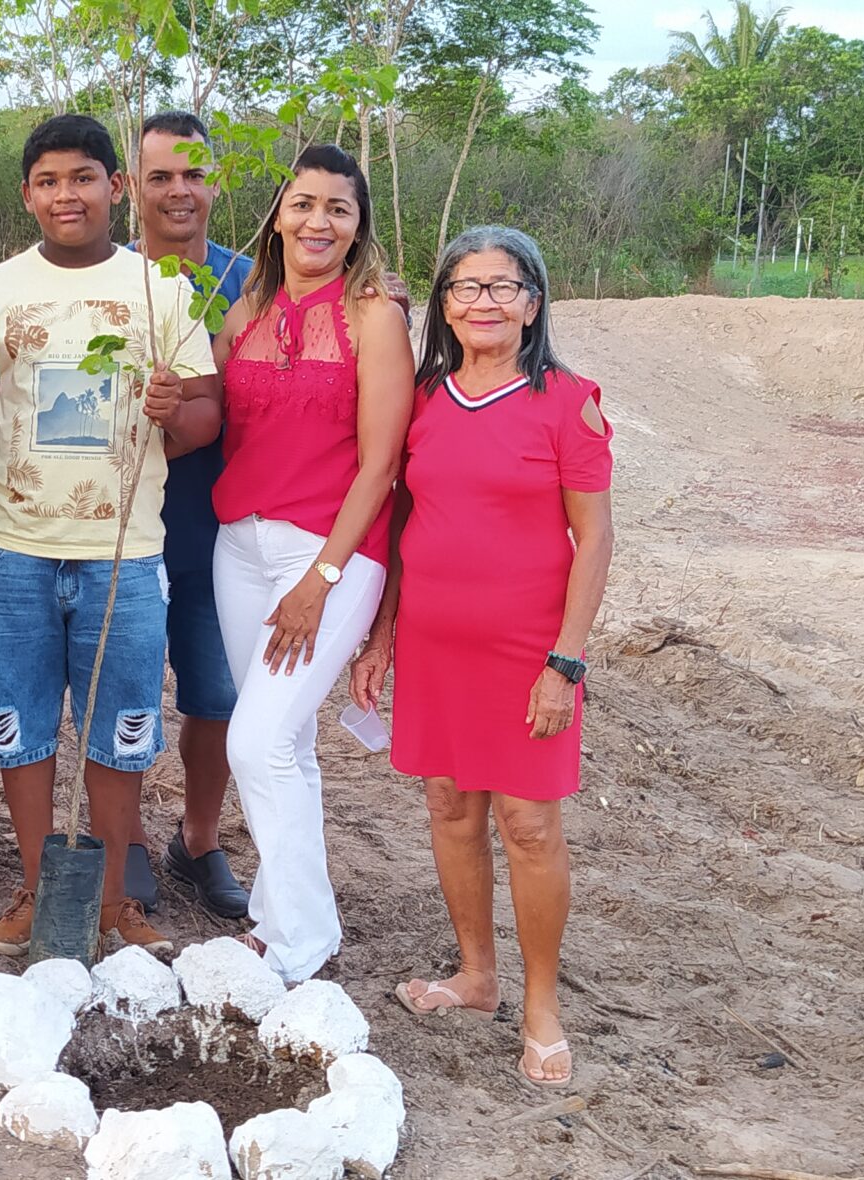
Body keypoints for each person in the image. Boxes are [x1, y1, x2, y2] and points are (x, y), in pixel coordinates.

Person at [0, 114, 219, 958]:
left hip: (124, 555)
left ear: (114, 187)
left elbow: (206, 414)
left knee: (119, 730)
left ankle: (115, 900)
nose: (66, 195)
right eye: (48, 182)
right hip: (11, 548)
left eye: (83, 178)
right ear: (27, 195)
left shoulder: (162, 290)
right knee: (23, 728)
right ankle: (36, 887)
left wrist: (175, 411)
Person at [351, 225, 614, 1091]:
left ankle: (541, 1006)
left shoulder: (568, 402)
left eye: (504, 287)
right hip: (434, 644)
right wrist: (382, 635)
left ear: (533, 304)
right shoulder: (426, 397)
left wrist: (564, 663)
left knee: (529, 825)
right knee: (450, 805)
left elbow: (594, 538)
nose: (484, 302)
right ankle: (477, 975)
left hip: (528, 652)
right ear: (446, 305)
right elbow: (403, 519)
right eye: (465, 287)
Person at [207, 144, 408, 983]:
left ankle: (298, 942)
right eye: (303, 204)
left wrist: (320, 580)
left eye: (338, 208)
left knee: (256, 744)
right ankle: (287, 920)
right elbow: (201, 401)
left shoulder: (374, 316)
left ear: (358, 226)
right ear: (278, 215)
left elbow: (382, 463)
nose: (318, 221)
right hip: (239, 545)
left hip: (329, 552)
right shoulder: (246, 308)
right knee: (283, 741)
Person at [124, 110, 253, 921]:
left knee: (217, 696)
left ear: (215, 184)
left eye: (194, 175)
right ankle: (127, 836)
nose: (180, 191)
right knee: (126, 691)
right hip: (121, 527)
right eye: (161, 176)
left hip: (223, 529)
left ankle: (198, 837)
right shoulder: (106, 280)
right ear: (131, 186)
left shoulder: (257, 283)